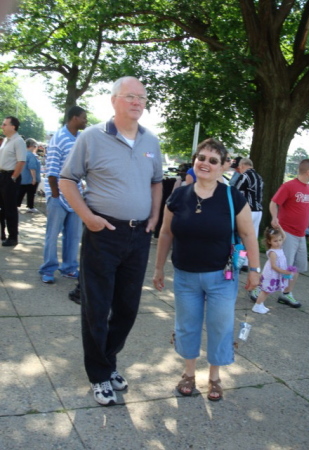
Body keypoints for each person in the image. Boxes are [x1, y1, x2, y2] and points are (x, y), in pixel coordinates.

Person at [59, 76, 163, 407]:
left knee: (128, 309)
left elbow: (158, 182)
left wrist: (155, 217)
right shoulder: (92, 137)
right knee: (96, 307)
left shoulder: (151, 142)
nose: (137, 102)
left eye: (142, 98)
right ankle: (99, 374)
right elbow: (66, 180)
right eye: (130, 96)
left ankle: (108, 361)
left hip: (138, 236)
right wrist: (88, 217)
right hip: (103, 234)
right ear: (114, 100)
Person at [153, 138, 260, 402]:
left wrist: (255, 270)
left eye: (213, 160)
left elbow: (248, 234)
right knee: (187, 326)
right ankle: (188, 373)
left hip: (221, 277)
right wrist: (158, 269)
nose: (205, 163)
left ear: (224, 166)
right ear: (195, 161)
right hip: (185, 276)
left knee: (220, 325)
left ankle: (214, 377)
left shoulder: (233, 197)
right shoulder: (178, 195)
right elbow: (165, 233)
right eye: (201, 158)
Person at [38, 106, 87, 284]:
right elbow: (52, 171)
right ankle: (48, 269)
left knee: (73, 235)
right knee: (53, 234)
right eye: (83, 118)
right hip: (58, 194)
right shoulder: (58, 139)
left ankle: (69, 268)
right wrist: (56, 196)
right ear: (74, 118)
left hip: (76, 195)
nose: (85, 121)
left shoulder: (81, 138)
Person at [269, 158, 309, 308]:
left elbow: (308, 209)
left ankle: (286, 294)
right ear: (308, 172)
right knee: (281, 265)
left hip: (300, 234)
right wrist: (274, 218)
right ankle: (259, 288)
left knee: (297, 266)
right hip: (287, 232)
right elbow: (273, 202)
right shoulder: (289, 186)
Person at [251, 226, 294, 314]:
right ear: (269, 241)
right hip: (271, 274)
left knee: (268, 291)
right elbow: (273, 266)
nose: (278, 243)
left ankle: (260, 304)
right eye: (275, 241)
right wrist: (284, 272)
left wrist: (279, 227)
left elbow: (284, 236)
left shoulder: (279, 248)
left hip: (275, 274)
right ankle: (257, 305)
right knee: (266, 290)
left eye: (279, 240)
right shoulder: (273, 252)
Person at [0, 116, 27, 246]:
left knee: (10, 208)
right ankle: (3, 232)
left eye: (5, 124)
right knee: (2, 207)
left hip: (10, 176)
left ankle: (13, 237)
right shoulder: (6, 140)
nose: (2, 126)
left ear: (13, 126)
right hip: (2, 175)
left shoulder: (18, 141)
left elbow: (21, 161)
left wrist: (13, 178)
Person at [234, 157, 264, 271]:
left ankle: (240, 261)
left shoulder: (245, 176)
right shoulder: (259, 177)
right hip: (258, 210)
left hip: (248, 210)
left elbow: (235, 190)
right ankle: (248, 262)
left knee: (242, 236)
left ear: (242, 165)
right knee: (253, 236)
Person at [17, 138, 41, 212]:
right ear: (32, 146)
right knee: (31, 193)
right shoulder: (31, 156)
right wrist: (34, 178)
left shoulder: (23, 154)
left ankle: (16, 205)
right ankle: (30, 207)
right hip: (30, 179)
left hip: (23, 177)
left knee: (20, 192)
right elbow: (32, 168)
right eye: (35, 145)